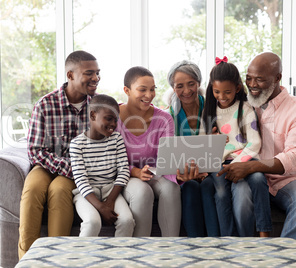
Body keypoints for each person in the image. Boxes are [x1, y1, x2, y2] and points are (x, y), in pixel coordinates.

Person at [218, 52, 296, 246]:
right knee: (242, 200)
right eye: (249, 78)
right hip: (247, 177)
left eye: (260, 80)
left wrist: (253, 167)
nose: (252, 85)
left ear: (277, 78)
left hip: (284, 179)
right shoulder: (240, 104)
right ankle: (246, 255)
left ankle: (282, 260)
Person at [18, 50, 100, 259]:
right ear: (70, 75)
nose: (96, 78)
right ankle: (27, 260)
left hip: (78, 171)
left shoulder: (100, 105)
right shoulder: (45, 104)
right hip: (47, 164)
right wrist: (67, 166)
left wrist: (76, 169)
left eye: (98, 73)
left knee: (60, 190)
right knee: (33, 188)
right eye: (89, 73)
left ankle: (57, 260)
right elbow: (35, 151)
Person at [203, 56, 271, 237]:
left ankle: (264, 234)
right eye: (217, 92)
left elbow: (255, 142)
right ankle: (228, 239)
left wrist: (237, 164)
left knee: (257, 180)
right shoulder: (209, 111)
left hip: (245, 160)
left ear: (237, 88)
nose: (222, 97)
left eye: (227, 92)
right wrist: (212, 141)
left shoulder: (245, 109)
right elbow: (203, 146)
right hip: (219, 163)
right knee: (221, 194)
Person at [116, 66, 181, 237]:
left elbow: (167, 160)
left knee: (171, 188)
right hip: (125, 175)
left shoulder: (164, 119)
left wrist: (179, 174)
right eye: (142, 90)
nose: (149, 95)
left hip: (154, 173)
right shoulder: (111, 116)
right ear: (127, 91)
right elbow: (109, 159)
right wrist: (135, 171)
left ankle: (171, 249)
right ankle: (140, 253)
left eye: (152, 89)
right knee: (142, 191)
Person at [165, 60, 220, 237]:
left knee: (210, 187)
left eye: (191, 84)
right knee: (189, 188)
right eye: (179, 86)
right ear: (173, 88)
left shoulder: (213, 107)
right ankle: (194, 246)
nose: (186, 91)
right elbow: (168, 154)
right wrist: (180, 174)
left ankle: (216, 244)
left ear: (199, 83)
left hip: (211, 172)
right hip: (184, 175)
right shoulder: (169, 115)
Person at [70, 94, 134, 237]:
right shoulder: (77, 144)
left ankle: (120, 258)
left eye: (116, 120)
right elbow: (80, 179)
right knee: (92, 222)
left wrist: (110, 202)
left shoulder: (116, 139)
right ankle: (82, 258)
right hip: (86, 195)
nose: (113, 124)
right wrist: (101, 207)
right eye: (109, 118)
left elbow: (123, 171)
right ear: (93, 115)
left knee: (127, 220)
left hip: (110, 192)